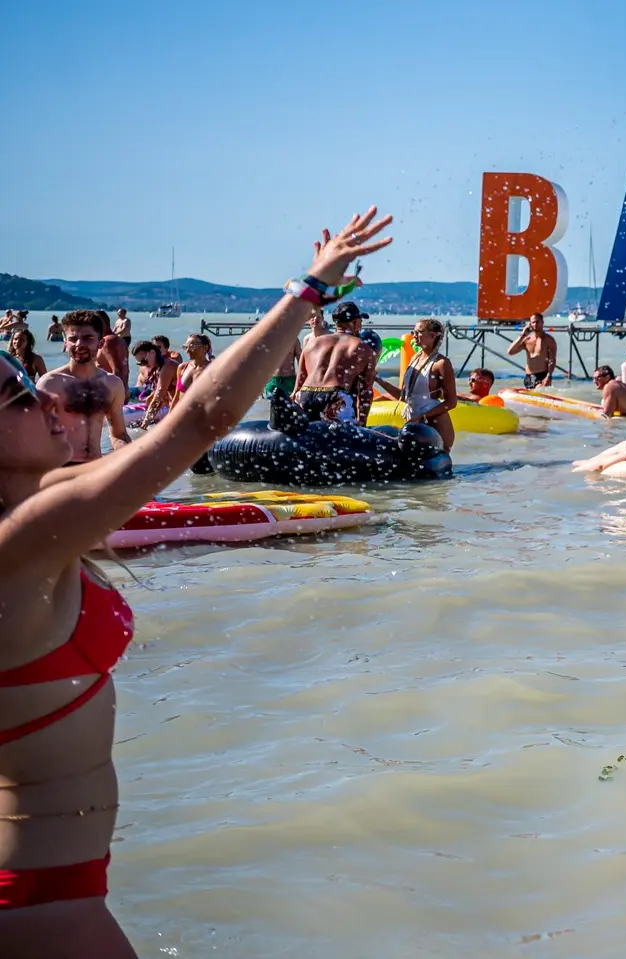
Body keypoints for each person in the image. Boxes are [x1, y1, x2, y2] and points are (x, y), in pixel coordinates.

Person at [0, 207, 391, 955]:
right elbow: (202, 417)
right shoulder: (22, 538)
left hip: (58, 893)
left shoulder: (40, 513)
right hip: (43, 910)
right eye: (19, 397)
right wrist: (309, 289)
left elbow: (182, 424)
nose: (49, 397)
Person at [36, 311, 131, 465]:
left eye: (88, 338)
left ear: (101, 343)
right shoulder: (50, 383)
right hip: (61, 469)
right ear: (65, 343)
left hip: (95, 467)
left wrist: (129, 458)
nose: (79, 344)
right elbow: (36, 437)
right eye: (73, 339)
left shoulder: (112, 384)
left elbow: (119, 435)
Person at [374, 319, 457, 451]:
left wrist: (422, 416)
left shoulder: (441, 363)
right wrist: (378, 379)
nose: (413, 335)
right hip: (415, 420)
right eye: (413, 332)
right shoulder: (415, 358)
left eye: (418, 332)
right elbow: (404, 396)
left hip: (435, 424)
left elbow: (451, 402)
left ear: (432, 335)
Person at [294, 302, 377, 423]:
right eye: (360, 321)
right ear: (354, 323)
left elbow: (298, 384)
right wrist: (362, 424)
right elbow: (366, 393)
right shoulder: (362, 348)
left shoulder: (314, 343)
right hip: (335, 397)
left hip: (305, 395)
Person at [130, 340, 179, 429]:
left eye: (144, 361)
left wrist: (144, 424)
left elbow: (157, 399)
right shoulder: (157, 368)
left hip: (188, 408)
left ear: (152, 353)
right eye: (140, 363)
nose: (143, 365)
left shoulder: (167, 366)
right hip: (175, 407)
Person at [509, 313, 557, 388]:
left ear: (542, 322)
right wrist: (522, 335)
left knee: (539, 390)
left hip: (542, 376)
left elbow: (552, 360)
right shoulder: (527, 340)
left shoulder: (549, 340)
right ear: (530, 324)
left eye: (537, 322)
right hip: (528, 377)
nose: (535, 324)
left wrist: (549, 375)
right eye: (533, 322)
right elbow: (510, 352)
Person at [170, 334, 213, 411]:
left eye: (192, 347)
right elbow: (176, 398)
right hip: (182, 415)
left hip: (202, 416)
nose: (187, 351)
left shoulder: (212, 369)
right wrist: (170, 416)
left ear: (205, 348)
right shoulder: (182, 368)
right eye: (186, 347)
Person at [92, 310, 129, 389]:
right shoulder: (120, 340)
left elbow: (117, 370)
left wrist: (117, 392)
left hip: (108, 390)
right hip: (116, 389)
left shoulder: (107, 342)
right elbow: (126, 370)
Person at [264, 333, 302, 399]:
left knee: (290, 402)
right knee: (272, 402)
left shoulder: (294, 340)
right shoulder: (269, 341)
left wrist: (301, 382)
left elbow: (301, 362)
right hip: (273, 380)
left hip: (289, 380)